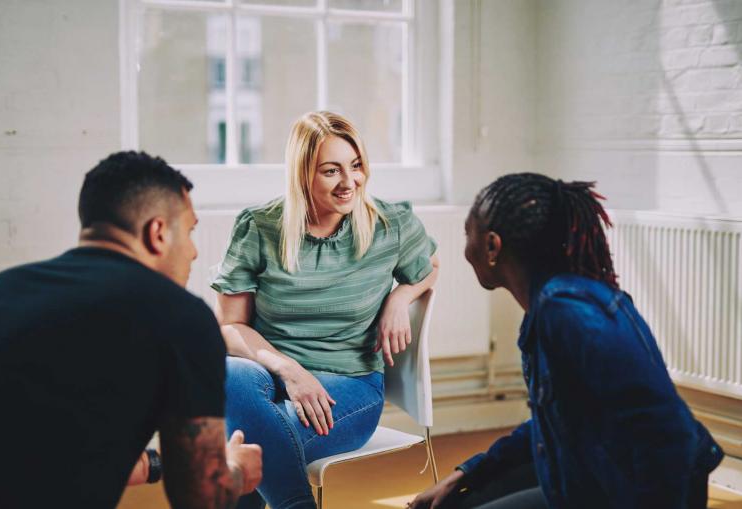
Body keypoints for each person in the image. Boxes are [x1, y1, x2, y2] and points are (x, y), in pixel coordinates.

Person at [410, 173, 724, 509]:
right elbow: (552, 425)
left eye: (466, 234)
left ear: (491, 246)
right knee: (447, 504)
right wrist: (468, 473)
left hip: (634, 495)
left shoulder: (569, 313)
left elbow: (669, 437)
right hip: (588, 476)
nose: (464, 247)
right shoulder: (549, 308)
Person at [0, 151, 262, 509]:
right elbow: (201, 495)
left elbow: (39, 448)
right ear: (157, 232)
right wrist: (236, 469)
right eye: (189, 231)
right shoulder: (180, 317)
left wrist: (156, 465)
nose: (191, 252)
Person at [211, 111, 439, 509]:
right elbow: (231, 327)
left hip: (350, 385)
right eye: (331, 171)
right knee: (229, 373)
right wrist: (290, 369)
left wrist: (399, 298)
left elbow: (431, 267)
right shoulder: (260, 227)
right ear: (302, 174)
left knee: (244, 442)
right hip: (269, 375)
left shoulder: (391, 224)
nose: (350, 182)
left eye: (356, 166)